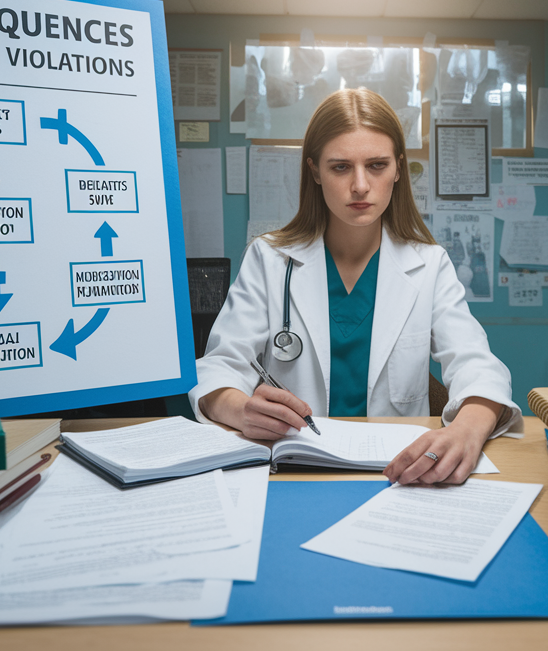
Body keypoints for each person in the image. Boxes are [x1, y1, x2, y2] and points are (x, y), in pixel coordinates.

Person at [189, 89, 522, 486]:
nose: (361, 186)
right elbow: (219, 368)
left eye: (377, 165)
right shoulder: (269, 259)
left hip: (396, 475)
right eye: (341, 167)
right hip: (294, 471)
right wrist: (239, 408)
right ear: (314, 172)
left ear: (399, 169)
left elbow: (475, 363)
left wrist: (468, 428)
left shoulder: (429, 265)